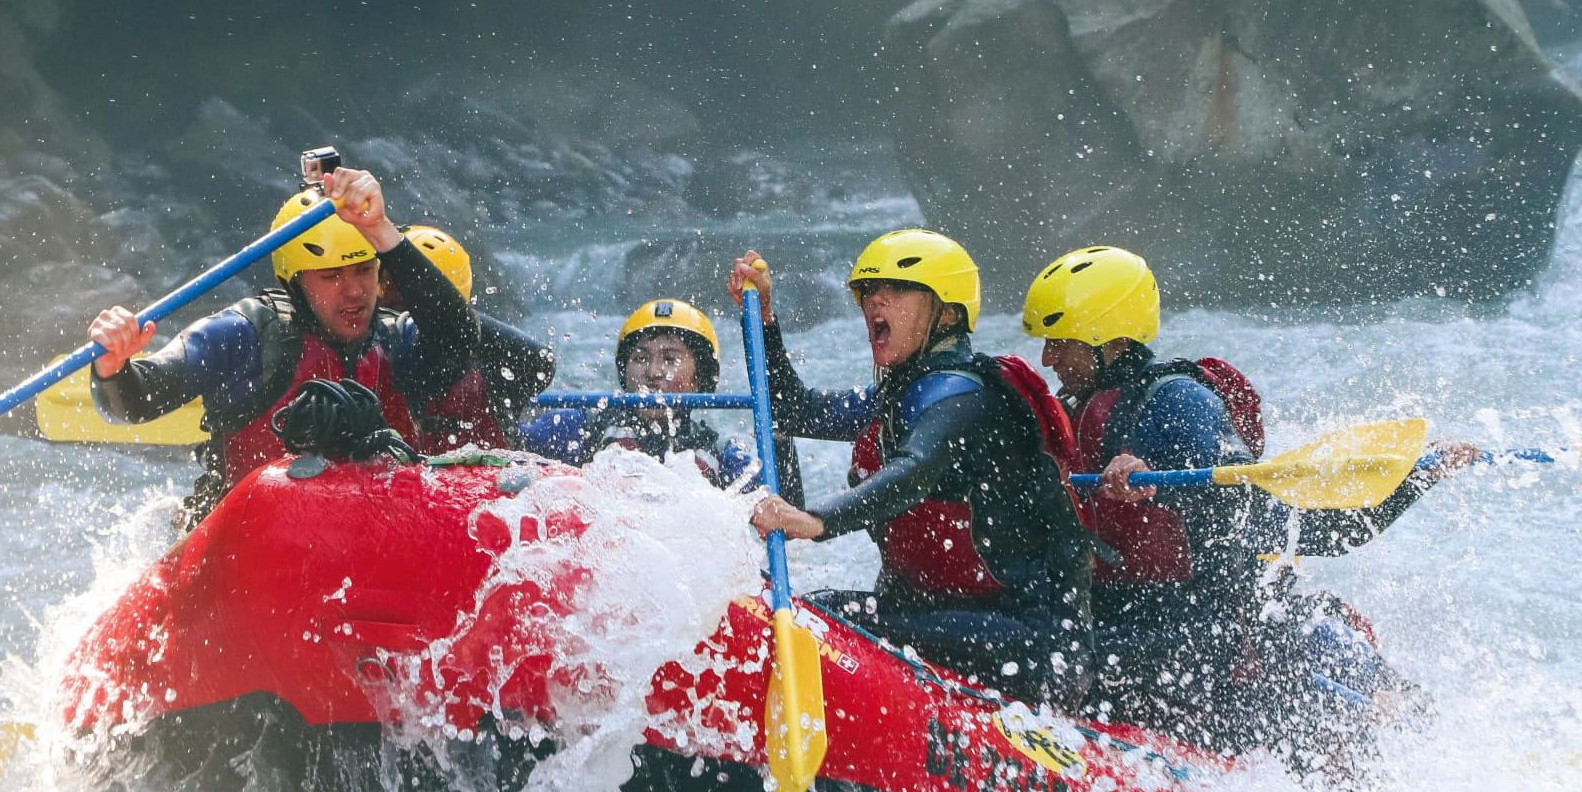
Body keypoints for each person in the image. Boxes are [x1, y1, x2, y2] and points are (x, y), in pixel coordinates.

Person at [1021, 244, 1477, 775]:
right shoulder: (1074, 409)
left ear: (1110, 336)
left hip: (1201, 632)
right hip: (1123, 614)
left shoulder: (1178, 403)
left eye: (1062, 342)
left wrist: (1153, 484)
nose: (1049, 359)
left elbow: (1260, 513)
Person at [730, 231, 1095, 710]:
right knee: (815, 612)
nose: (875, 301)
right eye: (869, 292)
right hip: (937, 616)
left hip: (1028, 638)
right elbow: (792, 411)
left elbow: (915, 469)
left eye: (896, 290)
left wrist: (815, 520)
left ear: (945, 314)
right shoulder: (898, 394)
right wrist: (763, 322)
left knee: (817, 620)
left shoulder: (964, 395)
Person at [87, 167, 479, 524]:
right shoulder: (244, 335)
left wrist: (382, 232)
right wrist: (113, 368)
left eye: (364, 270)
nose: (355, 292)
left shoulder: (397, 339)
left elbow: (461, 342)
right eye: (331, 276)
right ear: (294, 282)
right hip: (253, 545)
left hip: (374, 537)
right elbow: (136, 402)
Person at [516, 299, 799, 492]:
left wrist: (782, 439)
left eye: (670, 359)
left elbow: (780, 514)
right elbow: (504, 445)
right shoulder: (583, 428)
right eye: (640, 358)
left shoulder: (720, 453)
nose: (652, 372)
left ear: (699, 378)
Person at [376, 225, 556, 453]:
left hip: (490, 476)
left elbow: (542, 361)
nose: (384, 300)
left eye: (401, 305)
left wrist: (446, 318)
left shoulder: (496, 360)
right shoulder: (378, 351)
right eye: (384, 288)